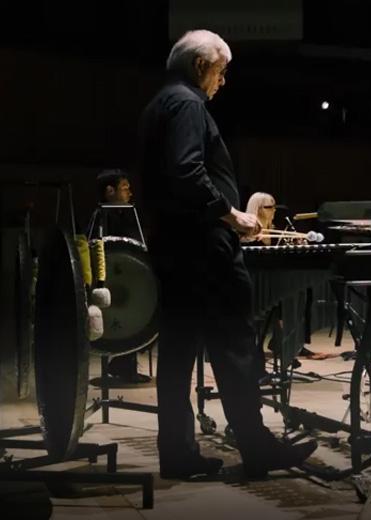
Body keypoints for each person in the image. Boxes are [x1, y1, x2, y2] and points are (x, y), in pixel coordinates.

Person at [138, 29, 316, 480]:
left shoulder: (158, 104)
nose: (223, 81)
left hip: (174, 248)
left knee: (178, 355)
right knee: (235, 350)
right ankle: (257, 449)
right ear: (202, 67)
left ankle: (177, 455)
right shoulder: (188, 104)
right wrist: (231, 216)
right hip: (203, 249)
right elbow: (187, 170)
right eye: (221, 71)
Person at [89, 169, 151, 384]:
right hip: (110, 282)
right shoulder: (101, 217)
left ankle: (122, 365)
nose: (129, 193)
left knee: (138, 318)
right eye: (125, 188)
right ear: (109, 191)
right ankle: (123, 367)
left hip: (132, 281)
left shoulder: (126, 213)